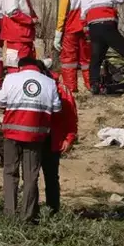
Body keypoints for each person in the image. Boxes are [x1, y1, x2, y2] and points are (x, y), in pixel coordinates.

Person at [0, 57, 62, 222]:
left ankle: (9, 213)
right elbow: (57, 108)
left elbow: (0, 102)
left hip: (12, 133)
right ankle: (27, 215)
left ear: (21, 67)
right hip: (35, 136)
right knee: (31, 176)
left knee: (10, 173)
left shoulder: (11, 78)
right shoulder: (49, 83)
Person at [43, 67, 78, 215]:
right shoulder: (39, 86)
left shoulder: (61, 89)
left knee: (51, 177)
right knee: (32, 177)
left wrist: (69, 138)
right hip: (37, 137)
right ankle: (33, 211)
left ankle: (53, 210)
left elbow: (71, 116)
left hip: (53, 139)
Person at [54, 0, 92, 92]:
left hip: (71, 29)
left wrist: (58, 35)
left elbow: (62, 15)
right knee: (88, 60)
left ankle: (71, 89)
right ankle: (91, 86)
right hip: (88, 28)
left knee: (69, 61)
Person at [1, 0, 38, 73]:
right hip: (17, 36)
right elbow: (12, 11)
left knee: (25, 65)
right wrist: (30, 21)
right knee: (16, 65)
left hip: (22, 36)